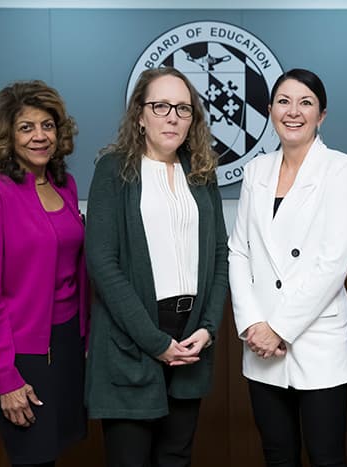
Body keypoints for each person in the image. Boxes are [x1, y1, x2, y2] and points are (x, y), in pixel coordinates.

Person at [84, 66, 228, 467]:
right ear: (140, 115)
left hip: (191, 343)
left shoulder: (201, 173)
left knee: (176, 458)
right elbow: (102, 263)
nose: (172, 116)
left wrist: (208, 328)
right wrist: (155, 342)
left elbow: (219, 255)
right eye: (160, 105)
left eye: (183, 108)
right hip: (134, 344)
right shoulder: (114, 170)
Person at [229, 68, 347, 467]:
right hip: (260, 343)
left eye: (306, 103)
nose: (294, 111)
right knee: (277, 454)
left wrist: (279, 329)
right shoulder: (256, 171)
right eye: (285, 102)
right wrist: (254, 324)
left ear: (321, 115)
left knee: (325, 456)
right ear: (270, 110)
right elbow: (239, 251)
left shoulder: (340, 169)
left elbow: (333, 263)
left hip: (315, 340)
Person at [0, 80, 89, 467]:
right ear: (7, 135)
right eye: (26, 127)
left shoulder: (64, 183)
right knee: (32, 455)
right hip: (18, 347)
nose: (40, 136)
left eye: (47, 126)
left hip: (67, 338)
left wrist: (84, 338)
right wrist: (5, 378)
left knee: (56, 447)